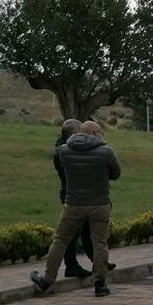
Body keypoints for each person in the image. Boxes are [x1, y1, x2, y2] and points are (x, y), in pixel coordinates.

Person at [31, 121, 121, 298]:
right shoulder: (106, 152)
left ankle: (47, 279)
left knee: (60, 240)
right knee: (99, 243)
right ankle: (100, 284)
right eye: (100, 132)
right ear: (94, 132)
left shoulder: (64, 151)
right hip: (99, 204)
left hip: (74, 203)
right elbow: (115, 174)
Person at [53, 119, 94, 278]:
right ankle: (71, 265)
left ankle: (96, 260)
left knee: (88, 229)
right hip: (72, 194)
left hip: (82, 193)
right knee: (71, 232)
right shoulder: (63, 152)